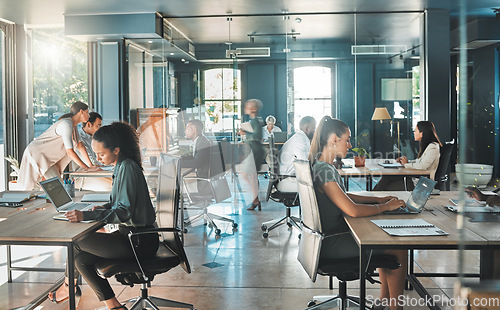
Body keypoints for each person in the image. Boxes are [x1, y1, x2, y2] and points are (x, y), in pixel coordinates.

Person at [47, 122, 158, 310]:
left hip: (138, 241)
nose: (97, 159)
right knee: (81, 260)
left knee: (74, 242)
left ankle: (68, 287)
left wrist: (88, 215)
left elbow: (124, 212)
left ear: (116, 150)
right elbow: (121, 203)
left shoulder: (128, 168)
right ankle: (114, 306)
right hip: (133, 237)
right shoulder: (123, 165)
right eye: (96, 154)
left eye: (101, 154)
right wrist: (102, 208)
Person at [309, 116, 407, 310]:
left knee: (385, 239)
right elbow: (352, 210)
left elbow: (343, 195)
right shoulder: (325, 170)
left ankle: (383, 303)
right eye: (347, 139)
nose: (350, 144)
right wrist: (385, 207)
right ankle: (395, 307)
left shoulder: (321, 166)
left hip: (323, 240)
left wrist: (378, 200)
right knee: (397, 245)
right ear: (334, 140)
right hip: (332, 243)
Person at [18, 101, 100, 190]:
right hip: (37, 153)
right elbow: (70, 151)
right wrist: (86, 168)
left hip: (47, 157)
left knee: (54, 187)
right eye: (87, 112)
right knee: (52, 187)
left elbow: (80, 145)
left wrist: (90, 166)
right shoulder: (66, 124)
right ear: (81, 112)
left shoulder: (73, 125)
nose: (88, 116)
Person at [373, 120, 442, 191]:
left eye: (415, 131)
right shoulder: (430, 146)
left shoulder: (433, 147)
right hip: (416, 179)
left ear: (422, 133)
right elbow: (420, 161)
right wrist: (406, 162)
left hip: (421, 183)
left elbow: (423, 165)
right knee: (386, 178)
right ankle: (372, 197)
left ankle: (372, 197)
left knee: (385, 185)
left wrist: (406, 164)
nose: (414, 133)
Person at [277, 116, 316, 192]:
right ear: (307, 129)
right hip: (287, 181)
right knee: (322, 185)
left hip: (289, 178)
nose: (316, 131)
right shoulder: (301, 140)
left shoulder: (301, 137)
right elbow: (305, 165)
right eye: (314, 128)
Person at [239, 99, 265, 210]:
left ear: (253, 109)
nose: (245, 108)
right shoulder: (255, 120)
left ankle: (255, 198)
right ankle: (255, 199)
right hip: (254, 149)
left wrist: (244, 133)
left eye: (247, 106)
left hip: (254, 150)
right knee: (252, 176)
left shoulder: (255, 121)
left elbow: (257, 136)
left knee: (246, 175)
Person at [180, 119, 212, 196]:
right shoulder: (201, 140)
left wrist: (178, 163)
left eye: (187, 129)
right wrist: (181, 158)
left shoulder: (203, 143)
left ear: (194, 130)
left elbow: (196, 163)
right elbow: (196, 156)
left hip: (203, 182)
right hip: (202, 178)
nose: (185, 131)